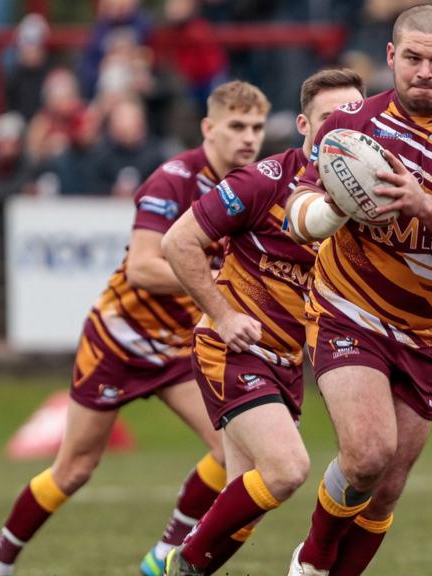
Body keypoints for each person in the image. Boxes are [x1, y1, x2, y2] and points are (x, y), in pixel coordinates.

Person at [0, 80, 270, 576]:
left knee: (231, 448)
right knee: (75, 469)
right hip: (118, 340)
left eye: (257, 127)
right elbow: (143, 269)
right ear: (208, 128)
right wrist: (214, 282)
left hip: (178, 351)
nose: (249, 138)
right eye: (237, 126)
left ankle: (163, 553)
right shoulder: (172, 180)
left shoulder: (254, 184)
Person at [284, 6, 432, 575]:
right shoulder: (350, 125)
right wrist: (325, 214)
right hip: (347, 309)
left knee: (387, 487)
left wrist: (420, 202)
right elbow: (296, 206)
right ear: (391, 58)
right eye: (413, 58)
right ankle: (311, 565)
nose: (425, 71)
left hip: (425, 330)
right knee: (368, 455)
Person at [159, 68, 366, 576]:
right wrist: (224, 316)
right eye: (328, 120)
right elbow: (176, 243)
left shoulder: (371, 199)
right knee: (287, 469)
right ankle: (178, 565)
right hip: (234, 351)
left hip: (287, 366)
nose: (341, 131)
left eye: (353, 120)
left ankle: (192, 566)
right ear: (303, 125)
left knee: (243, 501)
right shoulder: (265, 181)